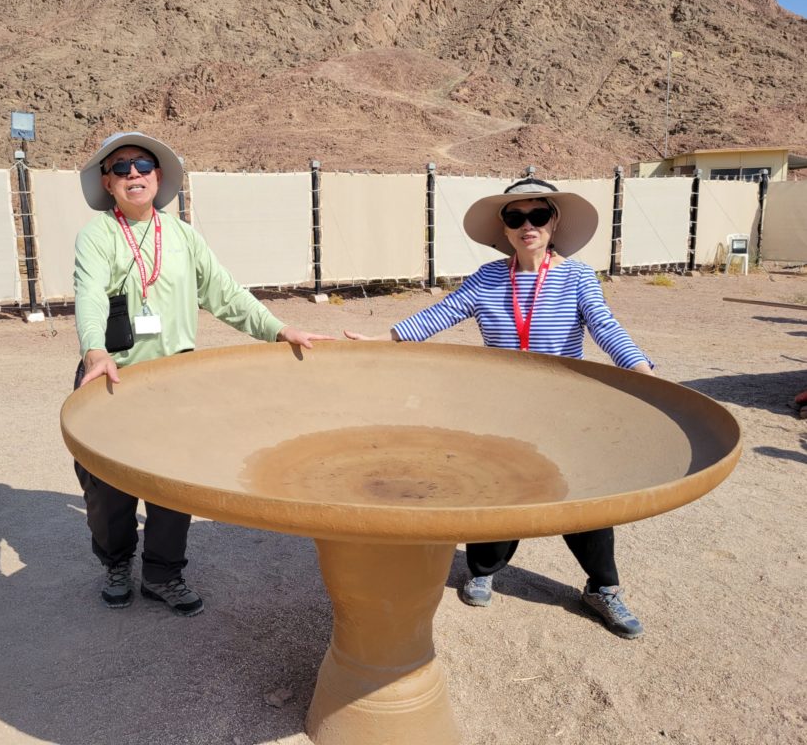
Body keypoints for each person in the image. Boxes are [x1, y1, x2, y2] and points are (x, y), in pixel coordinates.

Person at [345, 176, 654, 639]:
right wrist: (381, 340)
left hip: (563, 411)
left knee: (581, 497)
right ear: (504, 228)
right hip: (501, 410)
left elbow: (604, 326)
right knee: (496, 489)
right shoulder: (488, 278)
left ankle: (603, 587)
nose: (527, 225)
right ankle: (484, 569)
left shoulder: (577, 277)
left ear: (554, 222)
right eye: (515, 217)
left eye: (538, 215)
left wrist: (641, 368)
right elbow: (439, 314)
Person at [73, 131, 330, 616]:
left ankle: (163, 574)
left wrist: (278, 329)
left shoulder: (183, 237)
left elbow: (225, 294)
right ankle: (116, 562)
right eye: (121, 167)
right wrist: (94, 350)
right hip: (113, 378)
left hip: (175, 383)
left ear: (158, 177)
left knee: (174, 484)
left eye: (143, 165)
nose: (133, 174)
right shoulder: (97, 235)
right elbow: (89, 294)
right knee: (108, 489)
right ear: (107, 182)